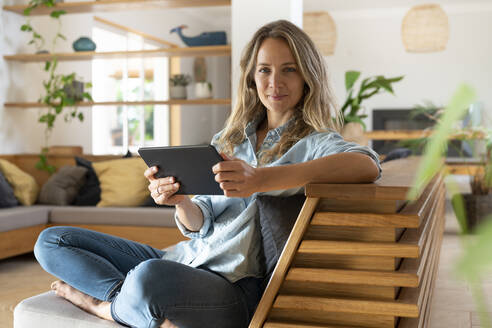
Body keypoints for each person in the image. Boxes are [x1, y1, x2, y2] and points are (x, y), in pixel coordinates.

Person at [34, 19, 381, 328]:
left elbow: (365, 165)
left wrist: (260, 179)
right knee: (51, 242)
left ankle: (108, 309)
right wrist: (181, 201)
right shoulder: (227, 140)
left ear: (307, 75)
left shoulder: (316, 142)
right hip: (184, 258)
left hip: (231, 286)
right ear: (251, 77)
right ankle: (128, 301)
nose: (275, 82)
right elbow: (200, 223)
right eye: (264, 70)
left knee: (149, 276)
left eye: (289, 69)